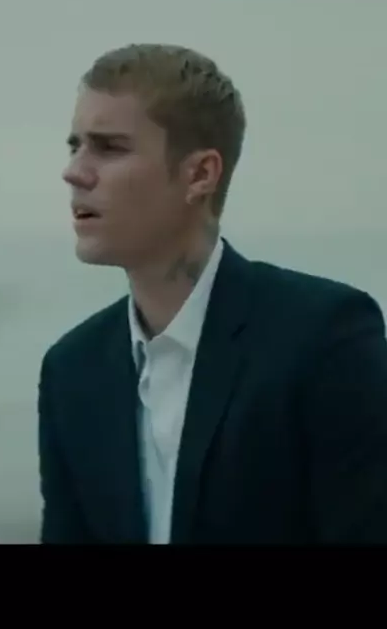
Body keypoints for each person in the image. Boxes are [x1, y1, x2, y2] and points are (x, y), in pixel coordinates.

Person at [37, 42, 387, 544]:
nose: (75, 171)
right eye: (75, 146)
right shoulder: (72, 370)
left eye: (109, 147)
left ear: (200, 174)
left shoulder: (324, 337)